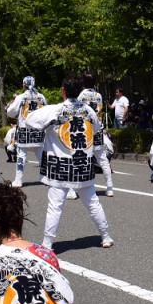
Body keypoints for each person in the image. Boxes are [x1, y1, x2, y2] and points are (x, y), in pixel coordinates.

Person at [26, 76, 113, 250]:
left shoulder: (55, 110)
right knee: (92, 202)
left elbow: (30, 120)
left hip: (60, 165)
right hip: (82, 163)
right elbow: (96, 129)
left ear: (63, 91)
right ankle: (106, 236)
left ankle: (47, 243)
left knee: (55, 206)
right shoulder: (89, 110)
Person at [6, 76, 47, 188]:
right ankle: (46, 177)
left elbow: (11, 112)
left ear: (24, 84)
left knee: (21, 155)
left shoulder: (22, 97)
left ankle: (18, 180)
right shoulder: (41, 97)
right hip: (38, 129)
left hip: (25, 129)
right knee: (41, 155)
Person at [78, 73, 115, 197]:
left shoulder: (81, 95)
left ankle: (79, 187)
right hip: (97, 129)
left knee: (81, 159)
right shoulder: (98, 95)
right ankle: (109, 187)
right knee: (102, 159)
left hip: (84, 130)